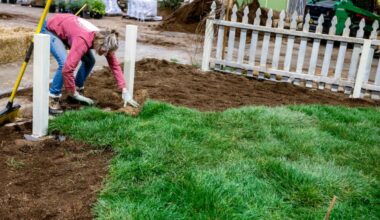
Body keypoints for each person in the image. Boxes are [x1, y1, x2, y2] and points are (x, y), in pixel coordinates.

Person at [41, 13, 139, 114]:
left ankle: (78, 90)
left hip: (70, 27)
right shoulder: (82, 41)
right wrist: (72, 92)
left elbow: (114, 65)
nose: (105, 54)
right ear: (99, 44)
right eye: (104, 51)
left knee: (90, 61)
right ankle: (53, 98)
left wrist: (124, 90)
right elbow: (68, 70)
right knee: (64, 63)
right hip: (50, 29)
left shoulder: (105, 39)